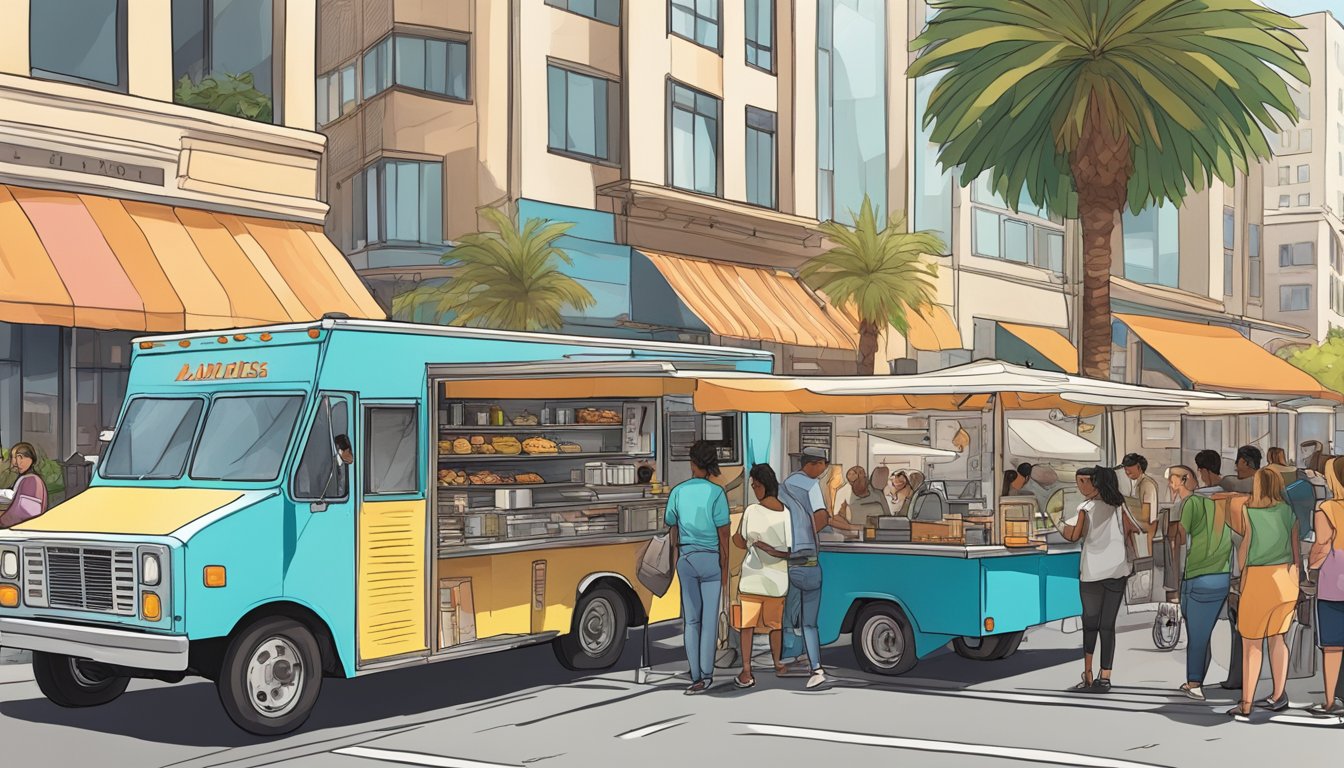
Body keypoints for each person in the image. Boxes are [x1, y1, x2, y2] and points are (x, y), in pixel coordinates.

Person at [1058, 466, 1142, 694]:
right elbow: (1130, 530)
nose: (1080, 486)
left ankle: (1087, 674)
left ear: (1096, 483)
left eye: (1083, 481)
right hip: (1117, 571)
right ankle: (1105, 676)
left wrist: (1059, 524)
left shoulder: (1085, 507)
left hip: (1093, 572)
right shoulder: (1118, 505)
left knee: (1090, 624)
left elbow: (1074, 536)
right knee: (1108, 626)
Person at [1226, 468, 1300, 717]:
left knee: (1251, 644)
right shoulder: (1288, 512)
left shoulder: (1248, 511)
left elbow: (1244, 552)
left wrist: (1241, 576)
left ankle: (1246, 703)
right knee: (1278, 639)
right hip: (1286, 580)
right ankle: (1279, 695)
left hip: (1259, 580)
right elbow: (1295, 551)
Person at [664, 440, 731, 695]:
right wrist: (724, 569)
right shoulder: (716, 494)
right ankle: (707, 673)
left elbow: (671, 522)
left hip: (687, 560)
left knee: (691, 620)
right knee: (709, 621)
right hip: (711, 560)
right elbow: (724, 536)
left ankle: (695, 676)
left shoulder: (678, 492)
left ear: (692, 463)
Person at [1167, 465, 1232, 701]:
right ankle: (1198, 679)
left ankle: (1195, 683)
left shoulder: (1191, 503)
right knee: (1203, 631)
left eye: (1172, 480)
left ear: (1184, 480)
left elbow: (1181, 538)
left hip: (1198, 574)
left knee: (1196, 633)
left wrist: (1171, 526)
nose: (1169, 484)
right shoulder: (1220, 502)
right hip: (1222, 573)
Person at [731, 464, 792, 689]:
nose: (754, 490)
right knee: (775, 625)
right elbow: (790, 546)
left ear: (762, 486)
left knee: (747, 626)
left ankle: (747, 670)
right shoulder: (786, 513)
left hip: (753, 578)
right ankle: (778, 663)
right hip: (778, 580)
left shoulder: (752, 512)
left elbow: (740, 539)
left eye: (755, 486)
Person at [778, 446, 831, 689]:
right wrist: (810, 535)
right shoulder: (811, 485)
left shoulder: (785, 484)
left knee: (789, 615)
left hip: (788, 560)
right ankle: (816, 667)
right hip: (809, 560)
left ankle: (789, 658)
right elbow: (821, 517)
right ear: (814, 463)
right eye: (823, 465)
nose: (824, 470)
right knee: (809, 622)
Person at [1306, 457, 1344, 716]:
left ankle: (1331, 701)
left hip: (1335, 580)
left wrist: (1310, 568)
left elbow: (1321, 545)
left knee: (1332, 646)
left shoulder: (1326, 508)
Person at [1, 442, 48, 528]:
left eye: (17, 457)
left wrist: (2, 521)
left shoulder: (32, 481)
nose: (14, 463)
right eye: (14, 458)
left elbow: (25, 512)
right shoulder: (26, 478)